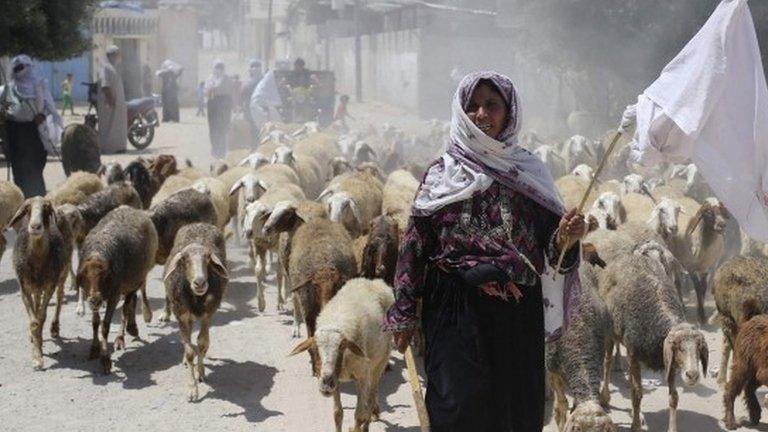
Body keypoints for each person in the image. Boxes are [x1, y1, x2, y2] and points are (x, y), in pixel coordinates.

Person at [383, 71, 586, 432]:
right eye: (472, 106)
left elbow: (550, 252)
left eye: (492, 105)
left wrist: (566, 240)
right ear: (461, 113)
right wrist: (403, 312)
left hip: (516, 312)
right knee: (458, 405)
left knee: (515, 410)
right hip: (454, 310)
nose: (481, 114)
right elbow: (415, 246)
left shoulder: (528, 173)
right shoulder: (441, 174)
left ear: (508, 112)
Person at [0, 55, 63, 197]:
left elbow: (49, 107)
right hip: (15, 132)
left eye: (21, 67)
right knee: (19, 169)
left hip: (34, 132)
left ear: (28, 68)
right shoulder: (8, 89)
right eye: (16, 68)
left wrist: (43, 115)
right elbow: (2, 111)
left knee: (35, 166)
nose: (18, 71)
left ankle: (37, 198)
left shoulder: (39, 86)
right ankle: (22, 200)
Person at [96, 45, 127, 154]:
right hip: (109, 105)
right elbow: (105, 86)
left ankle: (118, 146)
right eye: (117, 54)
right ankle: (108, 148)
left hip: (117, 105)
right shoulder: (106, 67)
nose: (119, 57)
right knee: (108, 126)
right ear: (112, 55)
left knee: (118, 126)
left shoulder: (113, 68)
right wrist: (111, 100)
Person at [205, 60, 234, 158]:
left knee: (223, 127)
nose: (218, 69)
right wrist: (211, 89)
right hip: (212, 103)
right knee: (213, 127)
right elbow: (207, 92)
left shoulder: (227, 79)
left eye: (220, 67)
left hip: (224, 104)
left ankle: (222, 149)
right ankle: (215, 148)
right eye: (217, 67)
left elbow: (230, 92)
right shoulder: (210, 78)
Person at [249, 70, 283, 139]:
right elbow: (262, 102)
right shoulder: (267, 86)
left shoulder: (268, 86)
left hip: (263, 108)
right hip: (258, 108)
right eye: (278, 79)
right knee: (265, 129)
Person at [241, 59, 263, 145]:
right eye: (253, 67)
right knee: (252, 128)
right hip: (250, 109)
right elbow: (243, 94)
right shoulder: (248, 82)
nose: (255, 69)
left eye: (256, 67)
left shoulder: (262, 80)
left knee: (258, 129)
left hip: (259, 109)